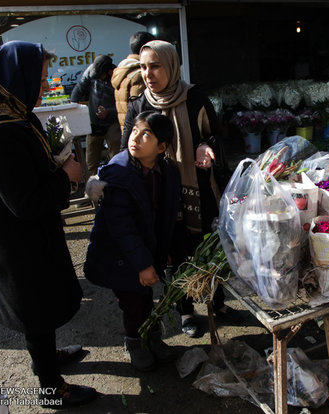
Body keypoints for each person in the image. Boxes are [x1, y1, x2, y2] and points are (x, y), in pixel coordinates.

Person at [0, 41, 97, 408]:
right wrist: (66, 176)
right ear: (15, 76)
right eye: (39, 78)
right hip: (14, 238)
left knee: (41, 304)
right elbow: (27, 201)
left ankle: (46, 358)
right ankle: (51, 388)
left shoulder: (1, 109)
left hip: (18, 231)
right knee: (35, 306)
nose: (43, 87)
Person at [121, 40, 242, 338]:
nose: (148, 73)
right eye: (143, 67)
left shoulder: (196, 98)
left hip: (199, 190)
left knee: (208, 249)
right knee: (175, 254)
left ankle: (218, 302)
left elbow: (215, 137)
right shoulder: (139, 105)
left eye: (155, 66)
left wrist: (205, 146)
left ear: (172, 66)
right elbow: (128, 149)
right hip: (161, 195)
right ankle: (185, 309)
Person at [84, 111, 180, 371]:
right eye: (135, 130)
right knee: (134, 301)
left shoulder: (166, 171)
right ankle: (134, 342)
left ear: (161, 147)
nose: (135, 137)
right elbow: (122, 228)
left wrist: (164, 250)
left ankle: (151, 336)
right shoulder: (119, 175)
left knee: (146, 298)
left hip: (144, 249)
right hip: (120, 255)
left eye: (146, 133)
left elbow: (166, 215)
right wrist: (142, 265)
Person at [71, 54, 120, 176]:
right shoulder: (91, 72)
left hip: (112, 123)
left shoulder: (118, 78)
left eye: (101, 76)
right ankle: (90, 189)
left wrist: (109, 112)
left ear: (109, 71)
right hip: (93, 123)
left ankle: (116, 184)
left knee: (116, 157)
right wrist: (72, 106)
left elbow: (125, 104)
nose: (98, 78)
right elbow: (78, 90)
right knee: (90, 161)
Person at [112, 31, 156, 130]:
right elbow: (142, 111)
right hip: (141, 132)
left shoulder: (122, 70)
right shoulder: (139, 75)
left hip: (128, 130)